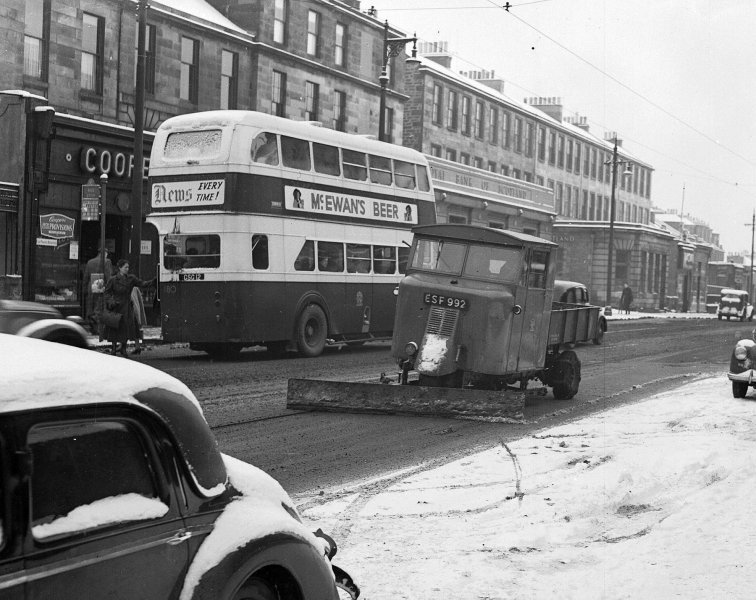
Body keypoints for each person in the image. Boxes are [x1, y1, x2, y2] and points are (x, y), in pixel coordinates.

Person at [103, 259, 154, 357]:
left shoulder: (131, 279)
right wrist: (111, 301)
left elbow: (142, 284)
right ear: (120, 268)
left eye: (128, 267)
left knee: (126, 328)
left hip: (126, 307)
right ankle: (113, 348)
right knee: (114, 327)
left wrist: (154, 281)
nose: (127, 269)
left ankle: (123, 349)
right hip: (116, 306)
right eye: (125, 267)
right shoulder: (113, 280)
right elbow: (107, 293)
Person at [83, 248, 113, 333]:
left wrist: (85, 288)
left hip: (91, 285)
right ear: (105, 253)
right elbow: (109, 276)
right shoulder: (107, 261)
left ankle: (93, 327)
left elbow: (86, 277)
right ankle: (98, 328)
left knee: (91, 307)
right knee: (100, 307)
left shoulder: (90, 262)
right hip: (100, 284)